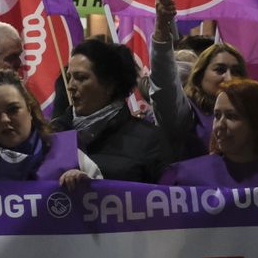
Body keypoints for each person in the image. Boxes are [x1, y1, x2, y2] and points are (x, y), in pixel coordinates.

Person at [0, 70, 99, 186]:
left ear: (29, 109)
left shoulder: (68, 152)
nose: (5, 120)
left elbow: (107, 205)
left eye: (13, 110)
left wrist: (88, 187)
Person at [52, 38, 170, 182]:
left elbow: (164, 199)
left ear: (109, 85)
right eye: (69, 77)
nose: (70, 86)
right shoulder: (52, 135)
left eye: (81, 78)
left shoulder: (150, 140)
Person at [151, 0, 248, 159]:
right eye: (220, 70)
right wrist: (161, 31)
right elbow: (164, 88)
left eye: (236, 71)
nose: (229, 78)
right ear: (199, 75)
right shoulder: (186, 114)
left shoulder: (251, 112)